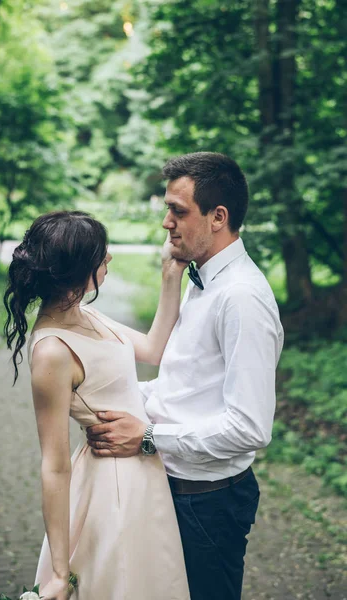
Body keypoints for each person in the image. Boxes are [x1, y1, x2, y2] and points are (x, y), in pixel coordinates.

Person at [87, 152, 284, 600]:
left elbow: (250, 428)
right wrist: (108, 395)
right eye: (166, 210)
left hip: (207, 504)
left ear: (219, 217)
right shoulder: (204, 281)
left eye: (178, 211)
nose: (166, 223)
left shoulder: (242, 300)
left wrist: (149, 436)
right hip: (174, 489)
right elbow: (185, 385)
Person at [3, 210, 190, 600]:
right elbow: (53, 465)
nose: (109, 258)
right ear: (75, 268)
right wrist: (58, 572)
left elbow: (154, 349)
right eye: (100, 255)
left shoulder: (84, 313)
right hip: (113, 483)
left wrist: (170, 274)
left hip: (143, 468)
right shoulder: (52, 351)